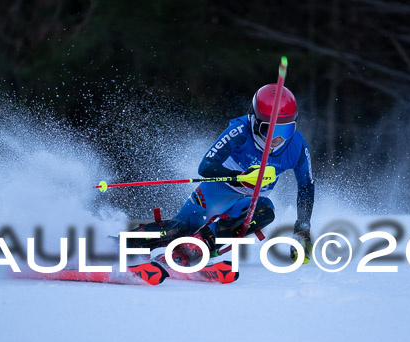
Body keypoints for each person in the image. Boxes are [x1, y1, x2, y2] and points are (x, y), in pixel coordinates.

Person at [133, 84, 315, 266]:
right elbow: (205, 166)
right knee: (178, 229)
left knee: (265, 211)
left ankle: (197, 249)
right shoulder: (240, 130)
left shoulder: (296, 146)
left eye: (286, 130)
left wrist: (302, 229)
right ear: (256, 120)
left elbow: (306, 185)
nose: (278, 138)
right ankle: (127, 244)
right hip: (216, 191)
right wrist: (239, 176)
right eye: (270, 129)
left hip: (247, 204)